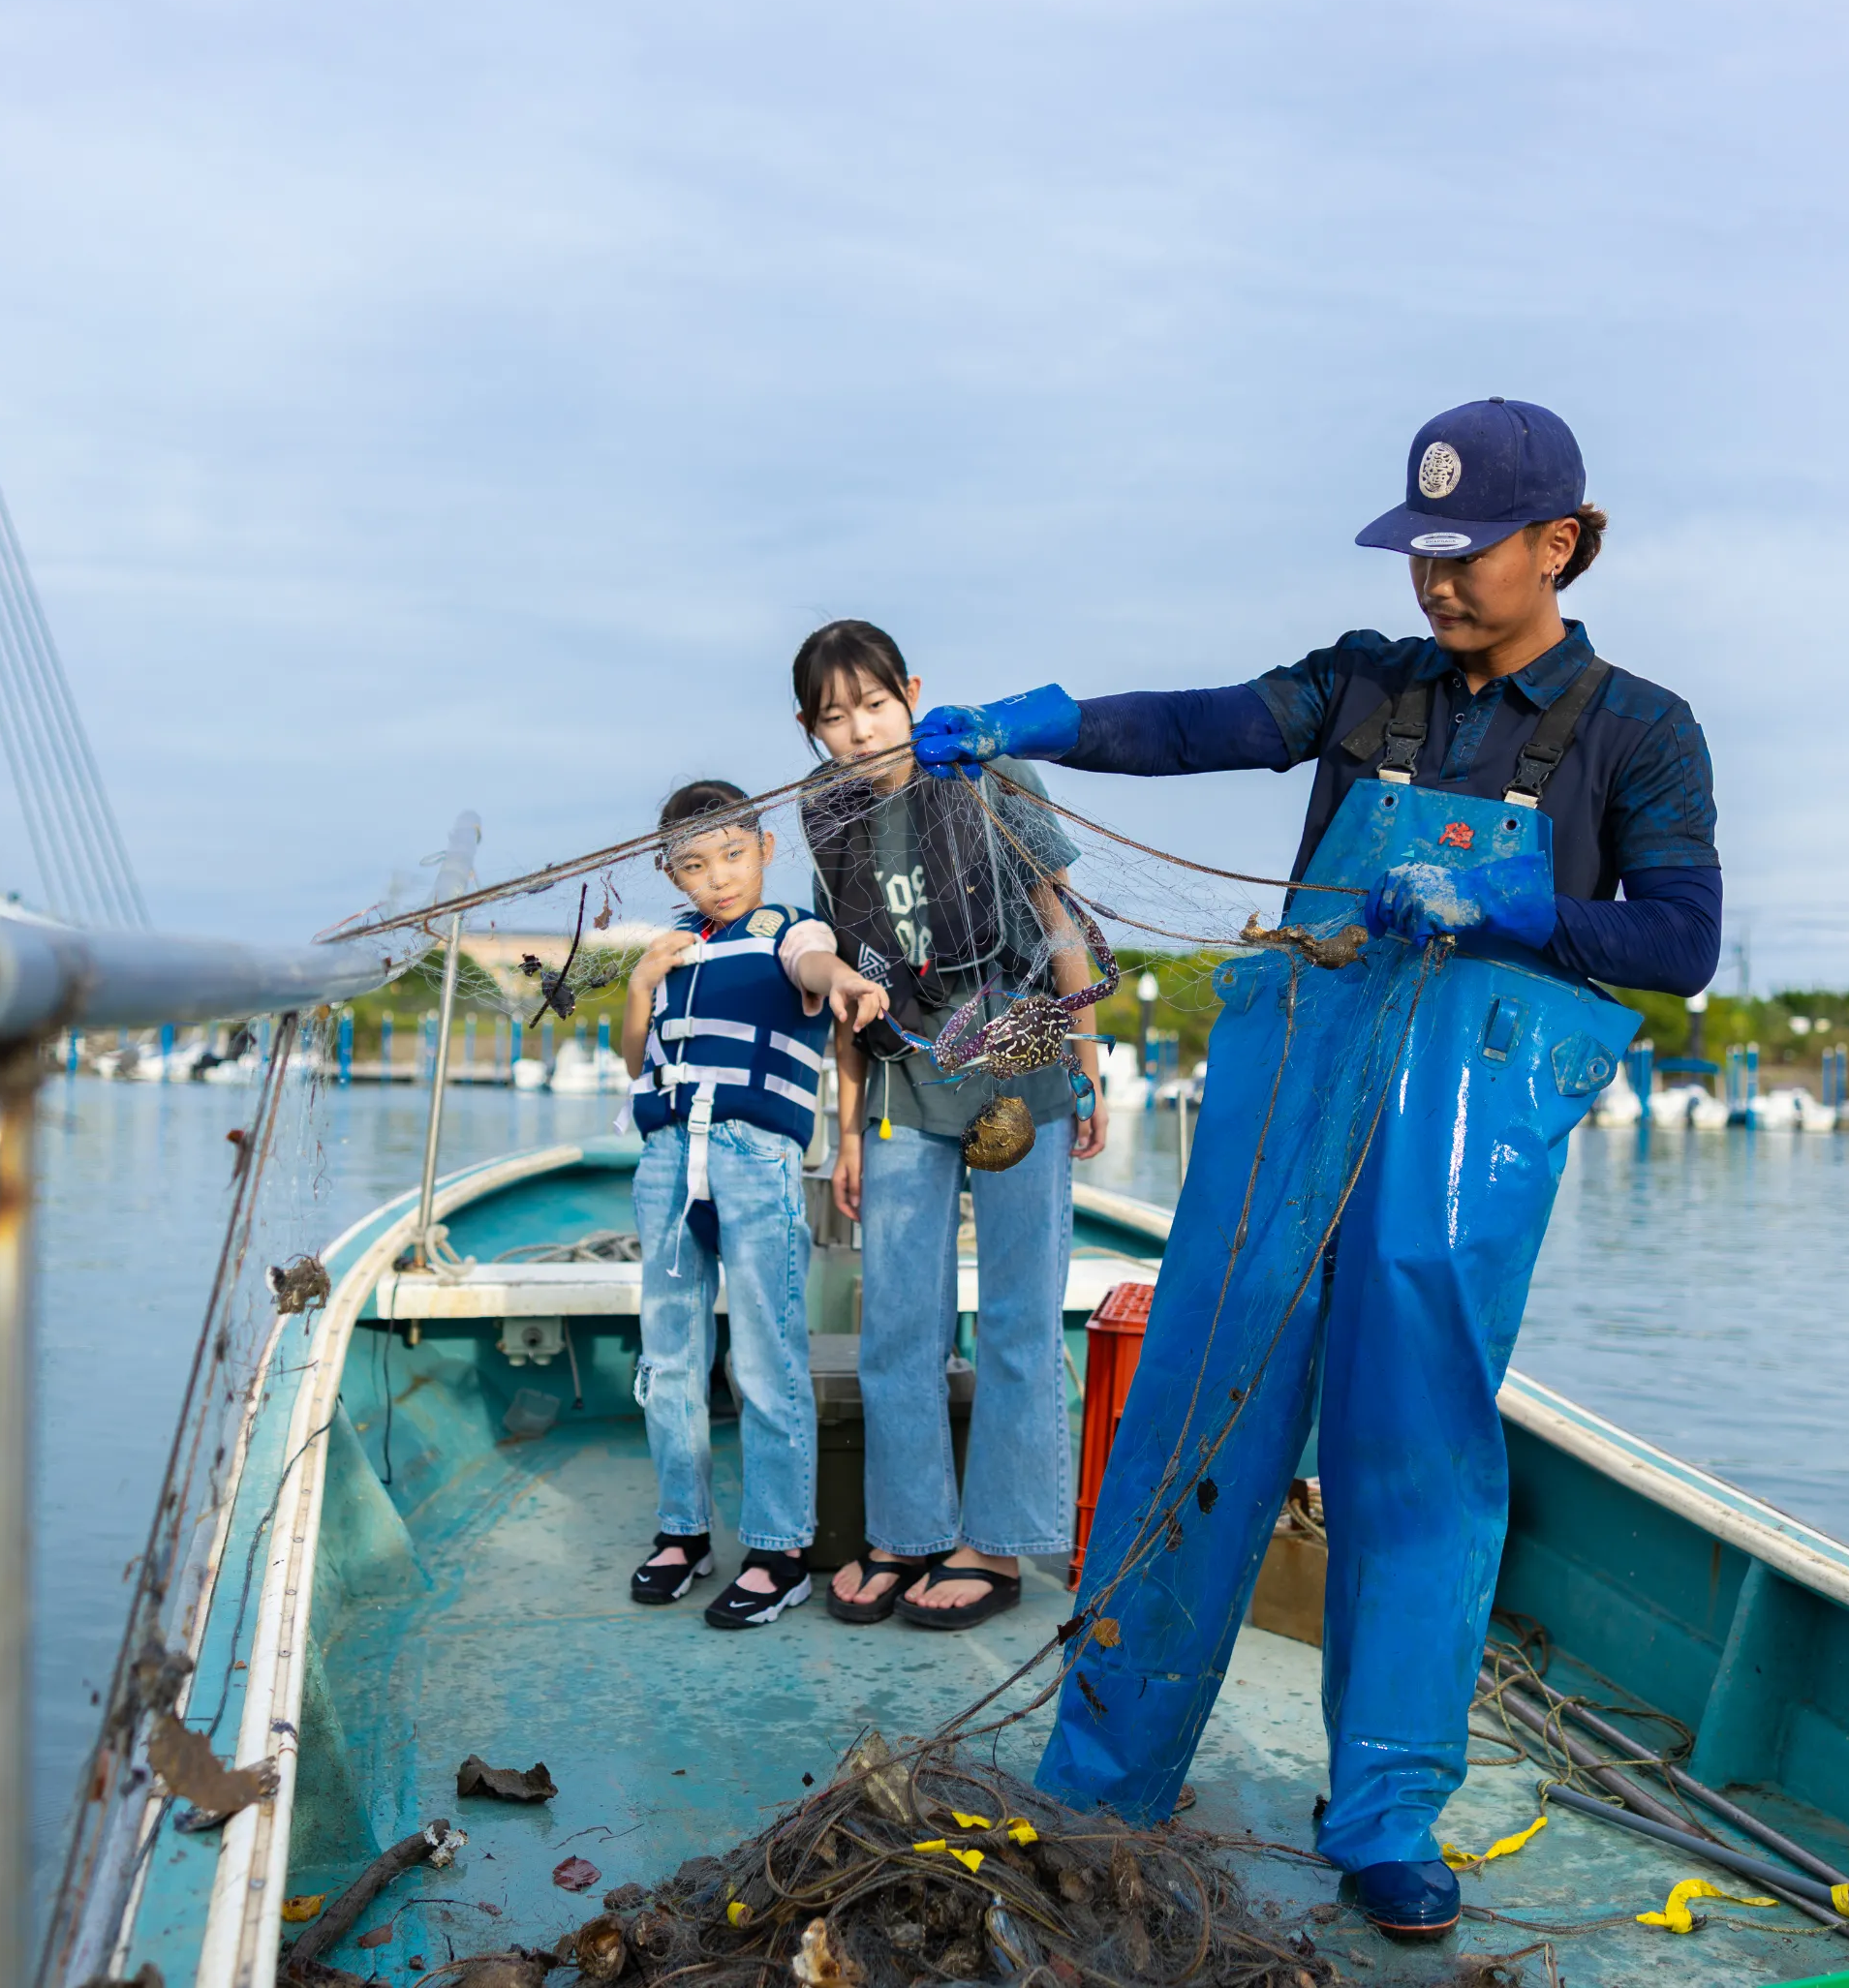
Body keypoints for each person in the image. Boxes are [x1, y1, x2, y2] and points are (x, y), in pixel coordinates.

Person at [909, 399, 1721, 1935]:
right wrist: (1040, 724)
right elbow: (1200, 724)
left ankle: (1387, 1816)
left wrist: (1518, 915)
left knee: (1411, 1463)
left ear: (1559, 544)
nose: (1435, 582)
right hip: (1289, 1113)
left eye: (1466, 554)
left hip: (1463, 1149)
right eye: (1417, 551)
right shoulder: (1364, 685)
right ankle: (1104, 1771)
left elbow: (1683, 938)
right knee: (1193, 1418)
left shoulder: (1639, 729)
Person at [791, 621, 1109, 1631]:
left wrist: (1089, 1066)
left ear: (912, 693)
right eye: (835, 719)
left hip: (1020, 1063)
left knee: (1019, 1313)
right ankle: (906, 1530)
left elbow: (1061, 917)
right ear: (811, 729)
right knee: (894, 1321)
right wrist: (844, 1131)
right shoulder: (827, 819)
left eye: (876, 706)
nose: (860, 731)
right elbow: (847, 977)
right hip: (902, 1081)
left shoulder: (991, 772)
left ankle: (1000, 1545)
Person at [621, 780, 888, 1629]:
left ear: (765, 849)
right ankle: (682, 1531)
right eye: (695, 865)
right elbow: (635, 1059)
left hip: (752, 1158)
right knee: (668, 1355)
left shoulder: (790, 931)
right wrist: (638, 987)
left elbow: (815, 966)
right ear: (672, 872)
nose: (718, 877)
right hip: (666, 1158)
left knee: (765, 1357)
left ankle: (780, 1549)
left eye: (733, 855)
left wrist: (843, 979)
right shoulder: (674, 947)